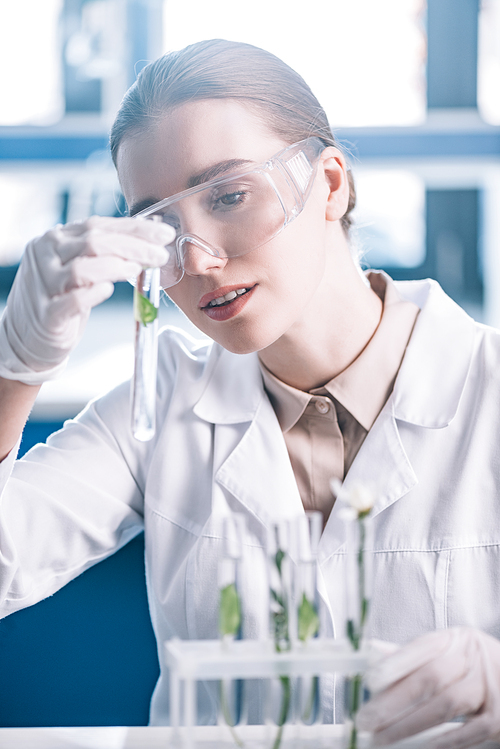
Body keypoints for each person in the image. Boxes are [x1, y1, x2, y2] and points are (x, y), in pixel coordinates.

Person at [0, 38, 500, 746]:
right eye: (161, 226)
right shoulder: (165, 400)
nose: (197, 259)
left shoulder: (487, 391)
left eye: (230, 196)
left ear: (330, 184)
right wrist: (14, 366)